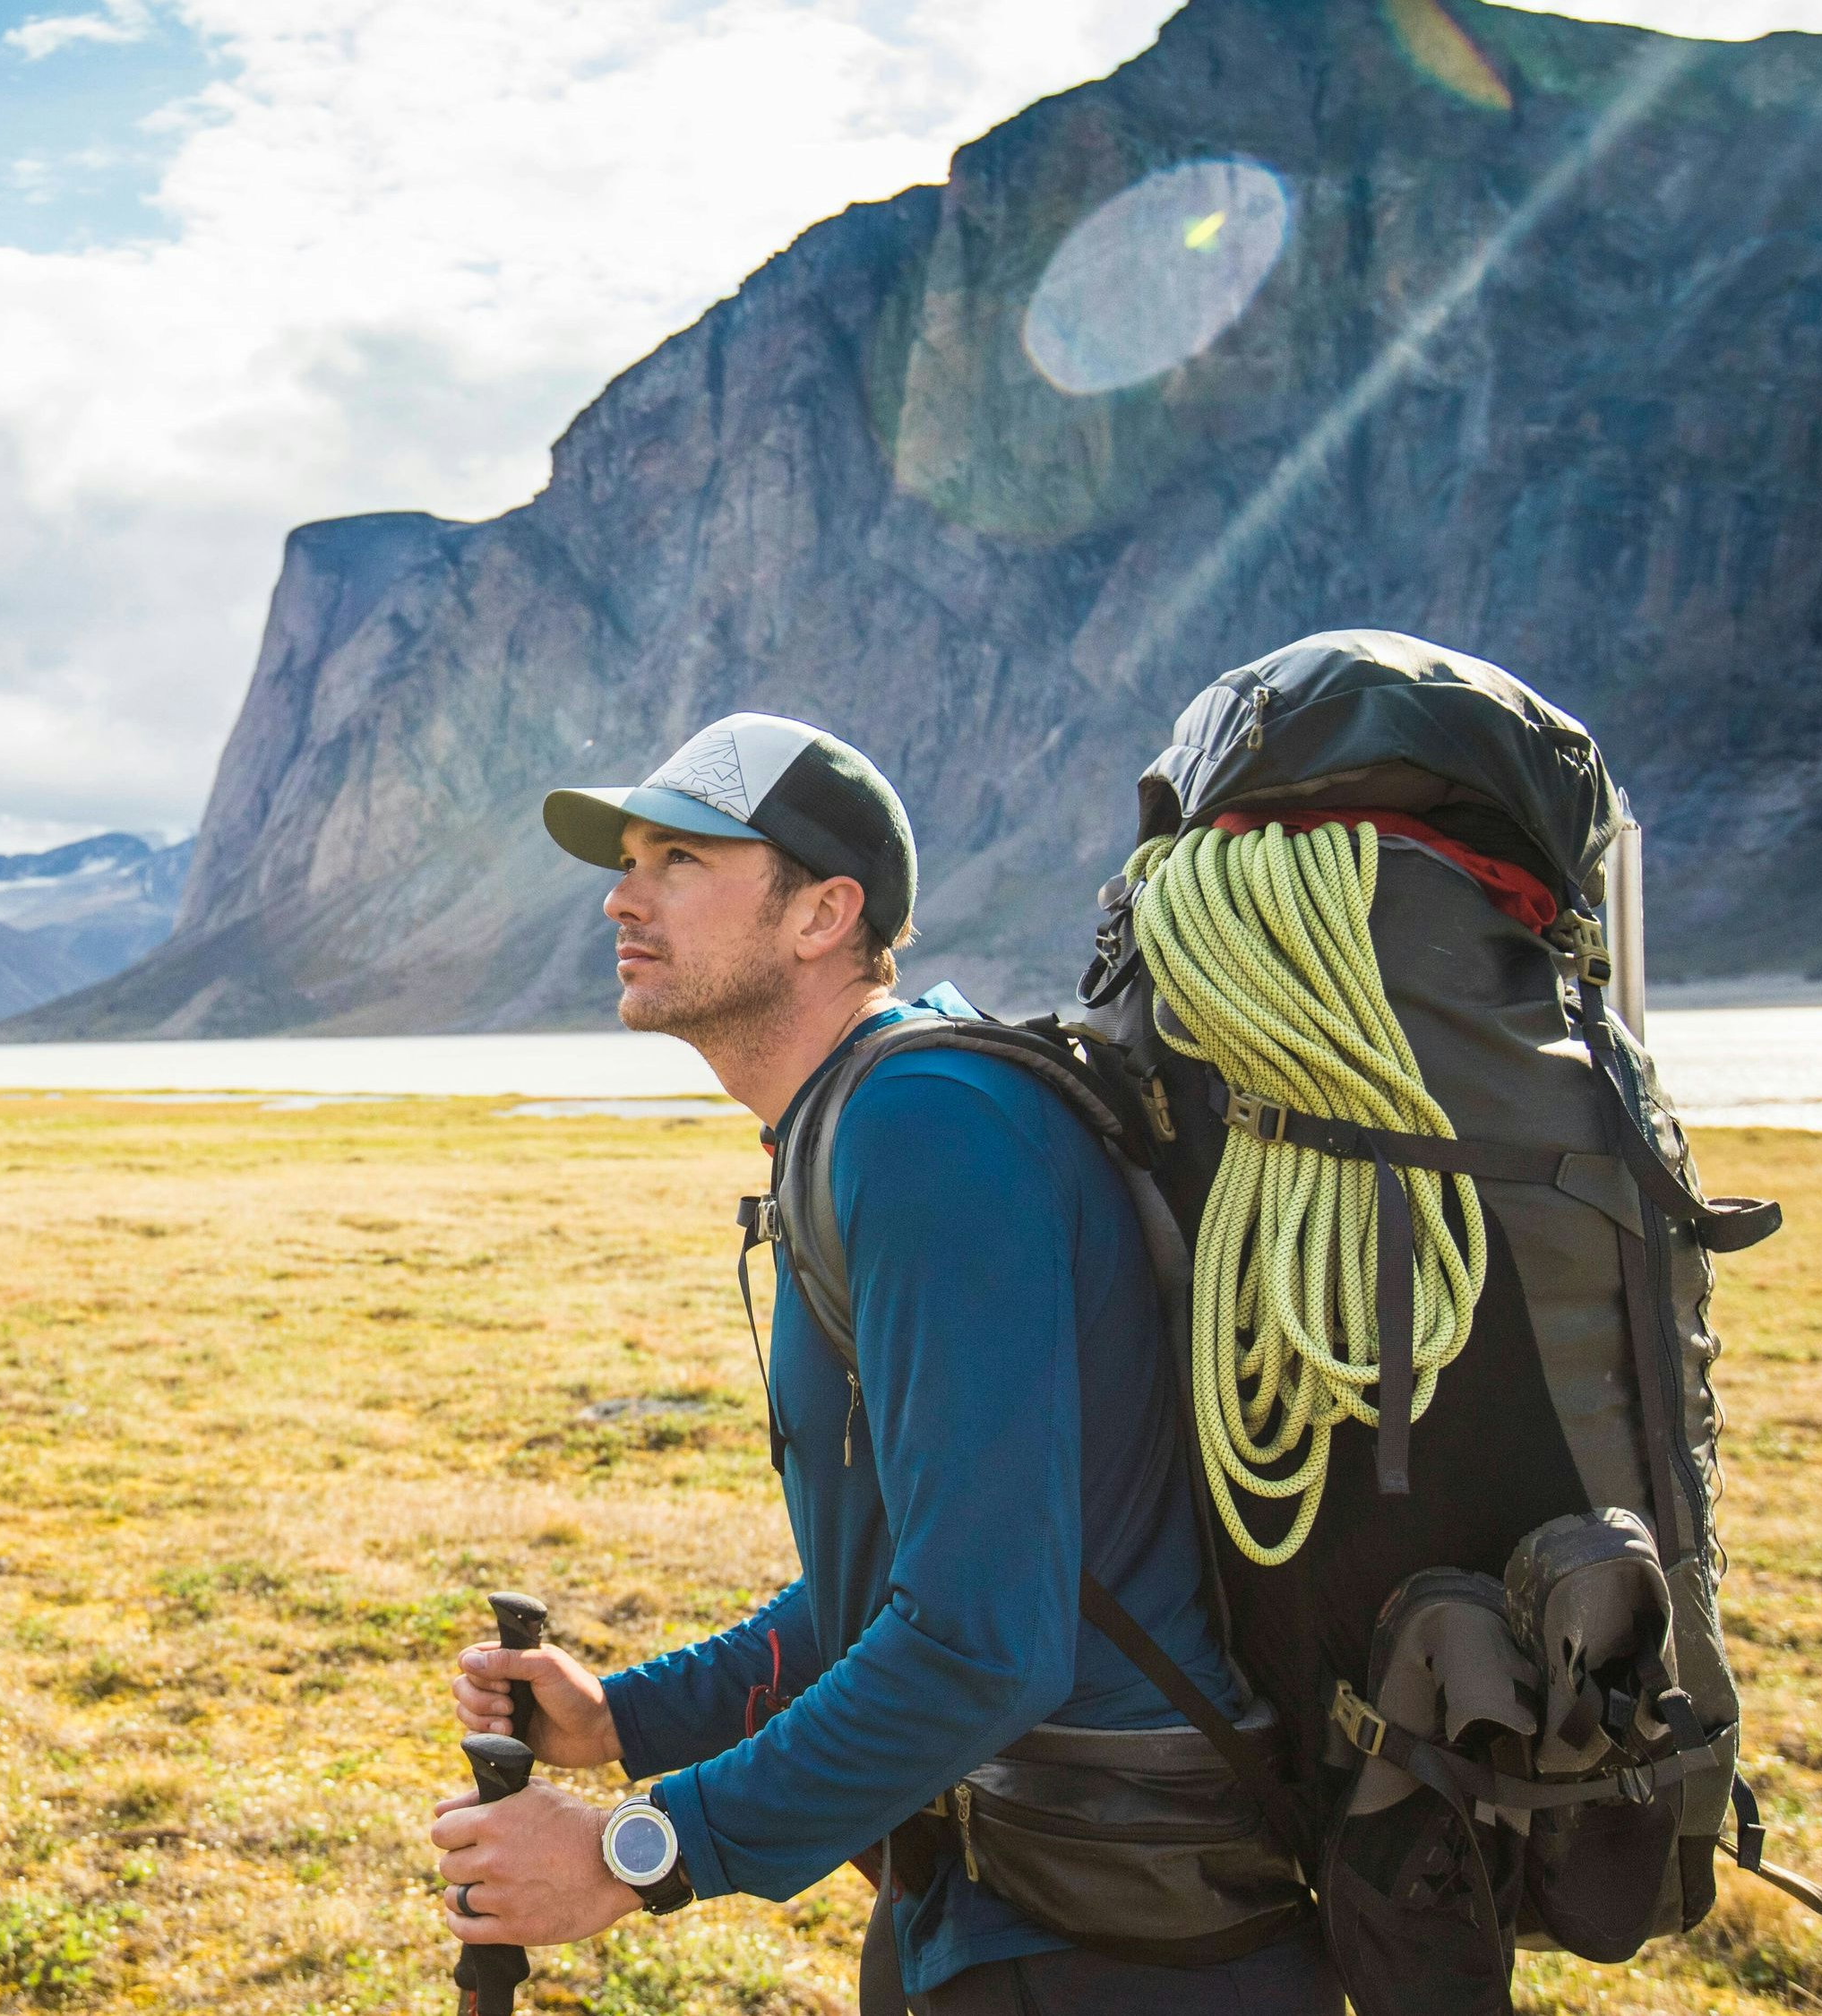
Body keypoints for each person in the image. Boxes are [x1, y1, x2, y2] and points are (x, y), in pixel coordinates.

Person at [425, 713, 1333, 2014]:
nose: (621, 898)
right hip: (1000, 1899)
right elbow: (907, 1576)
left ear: (822, 913)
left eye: (680, 859)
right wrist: (626, 1720)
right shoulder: (866, 1120)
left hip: (1119, 1947)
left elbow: (981, 1642)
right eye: (628, 861)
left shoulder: (926, 1129)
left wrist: (640, 1847)